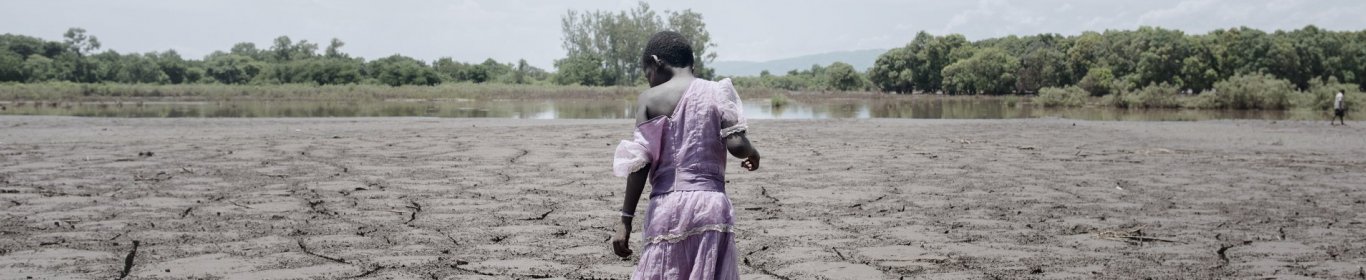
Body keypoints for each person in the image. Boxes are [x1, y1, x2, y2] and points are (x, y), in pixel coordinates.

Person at [611, 31, 760, 279]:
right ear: (693, 63)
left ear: (657, 62)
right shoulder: (718, 91)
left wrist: (625, 220)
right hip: (711, 206)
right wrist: (753, 151)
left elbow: (640, 162)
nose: (649, 81)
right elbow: (737, 146)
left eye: (648, 73)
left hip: (666, 207)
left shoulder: (648, 99)